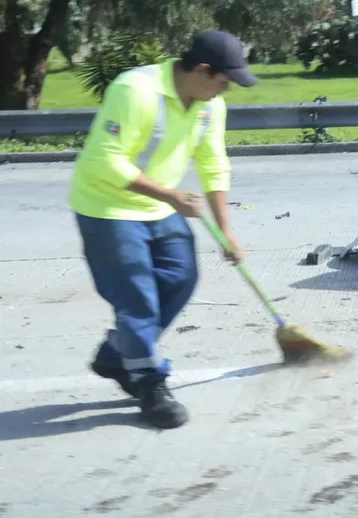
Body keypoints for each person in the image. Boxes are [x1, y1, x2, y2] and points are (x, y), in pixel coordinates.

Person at [68, 30, 257, 428]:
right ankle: (150, 383)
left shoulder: (210, 105)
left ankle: (116, 355)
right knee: (137, 300)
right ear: (203, 71)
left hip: (160, 204)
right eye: (225, 80)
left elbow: (213, 163)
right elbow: (106, 162)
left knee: (181, 279)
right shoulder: (135, 90)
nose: (227, 89)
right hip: (108, 206)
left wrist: (226, 230)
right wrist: (170, 195)